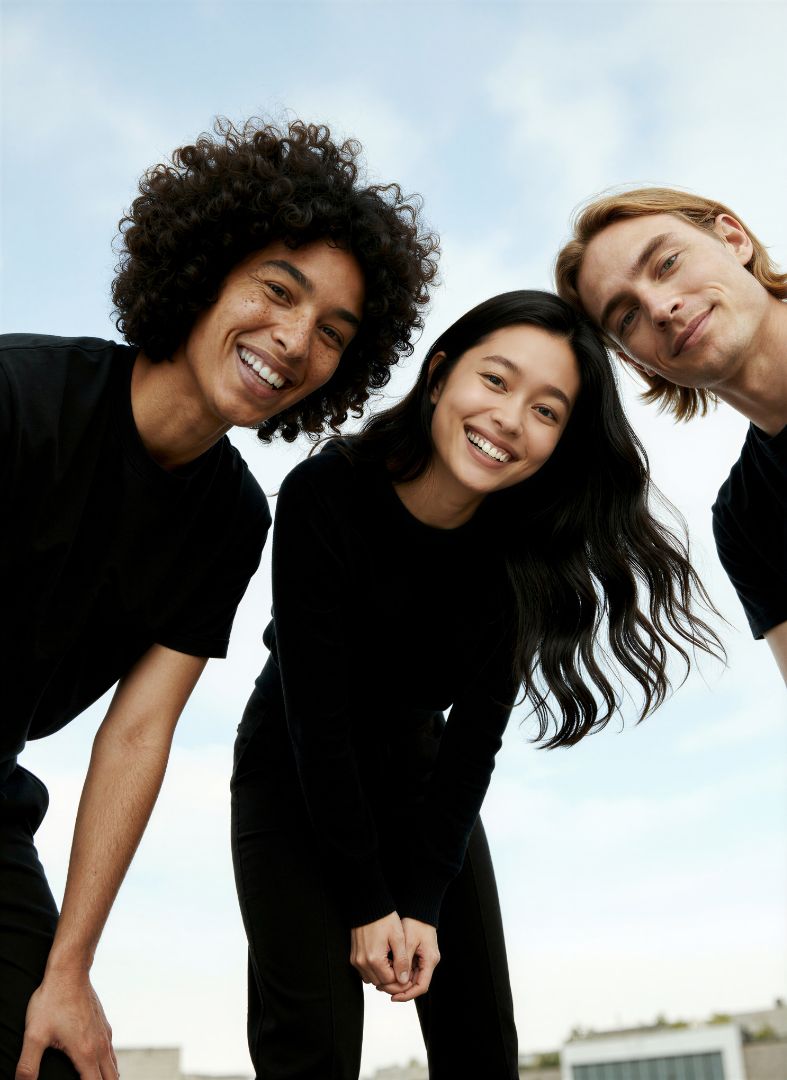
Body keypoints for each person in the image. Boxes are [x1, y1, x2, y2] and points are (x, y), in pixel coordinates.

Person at [0, 118, 438, 1080]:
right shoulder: (17, 393)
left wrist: (68, 972)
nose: (293, 339)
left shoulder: (236, 519)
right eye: (278, 291)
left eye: (332, 332)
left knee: (52, 1053)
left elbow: (138, 732)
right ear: (201, 270)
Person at [231, 290, 722, 1080]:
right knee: (311, 1044)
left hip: (422, 779)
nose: (508, 418)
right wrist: (365, 903)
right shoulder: (328, 491)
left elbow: (473, 742)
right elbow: (313, 720)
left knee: (481, 1047)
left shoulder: (517, 557)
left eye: (546, 410)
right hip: (291, 772)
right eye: (494, 381)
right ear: (437, 376)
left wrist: (421, 902)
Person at [554, 188, 787, 681]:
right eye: (627, 316)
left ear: (733, 238)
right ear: (635, 362)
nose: (660, 308)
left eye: (667, 263)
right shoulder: (745, 521)